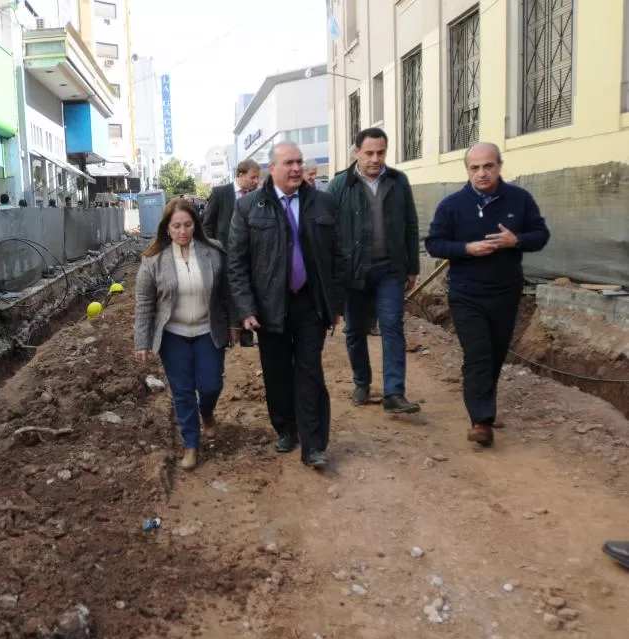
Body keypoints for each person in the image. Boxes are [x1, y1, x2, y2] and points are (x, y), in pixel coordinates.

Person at [228, 141, 346, 469]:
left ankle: (314, 445)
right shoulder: (250, 207)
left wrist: (336, 303)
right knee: (278, 372)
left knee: (310, 370)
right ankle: (285, 427)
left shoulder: (322, 202)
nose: (296, 168)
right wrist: (246, 309)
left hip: (310, 303)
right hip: (269, 306)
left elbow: (336, 255)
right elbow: (237, 263)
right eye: (288, 163)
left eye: (299, 162)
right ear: (272, 169)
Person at [425, 142, 550, 447]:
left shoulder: (520, 200)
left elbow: (541, 236)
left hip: (506, 293)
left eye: (488, 166)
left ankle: (485, 409)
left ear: (499, 166)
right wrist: (465, 249)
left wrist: (515, 241)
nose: (482, 173)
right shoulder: (452, 205)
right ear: (466, 170)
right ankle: (481, 421)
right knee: (478, 354)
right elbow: (434, 244)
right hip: (466, 293)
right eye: (475, 167)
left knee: (494, 355)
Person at [327, 127, 421, 414]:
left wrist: (412, 267)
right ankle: (361, 382)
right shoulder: (339, 186)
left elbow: (410, 225)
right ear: (356, 153)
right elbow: (328, 233)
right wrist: (333, 276)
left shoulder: (398, 181)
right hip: (353, 273)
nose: (375, 159)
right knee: (355, 330)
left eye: (381, 152)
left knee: (392, 325)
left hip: (389, 270)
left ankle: (394, 392)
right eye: (369, 153)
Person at [134, 198, 231, 471]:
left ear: (195, 225)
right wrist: (142, 341)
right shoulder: (153, 260)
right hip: (173, 334)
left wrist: (234, 324)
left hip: (207, 330)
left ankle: (208, 413)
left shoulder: (213, 252)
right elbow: (144, 303)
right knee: (182, 391)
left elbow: (227, 292)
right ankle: (191, 444)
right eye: (176, 226)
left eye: (188, 225)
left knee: (211, 384)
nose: (182, 231)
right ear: (167, 228)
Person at [202, 158, 261, 347]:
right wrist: (211, 249)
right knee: (227, 293)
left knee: (246, 290)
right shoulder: (221, 193)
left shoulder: (256, 196)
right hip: (224, 253)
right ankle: (229, 333)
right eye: (253, 177)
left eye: (257, 178)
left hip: (249, 255)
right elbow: (208, 224)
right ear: (241, 175)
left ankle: (247, 335)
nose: (256, 181)